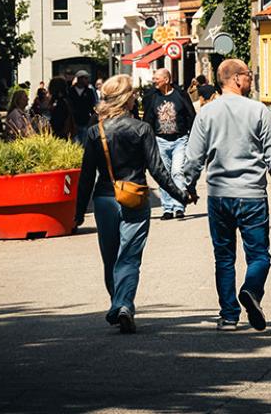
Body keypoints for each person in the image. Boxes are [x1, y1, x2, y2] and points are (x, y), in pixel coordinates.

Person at [76, 75, 191, 334]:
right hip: (136, 197)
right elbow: (159, 171)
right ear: (127, 98)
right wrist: (180, 195)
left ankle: (117, 303)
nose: (137, 97)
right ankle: (124, 304)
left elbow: (86, 176)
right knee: (129, 256)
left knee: (110, 258)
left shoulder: (97, 132)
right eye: (133, 94)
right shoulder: (142, 129)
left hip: (105, 199)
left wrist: (78, 213)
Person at [184, 59, 271, 331]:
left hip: (219, 195)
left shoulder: (206, 113)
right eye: (249, 75)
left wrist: (188, 185)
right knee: (259, 256)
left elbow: (194, 155)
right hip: (251, 194)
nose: (252, 79)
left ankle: (229, 316)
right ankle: (252, 290)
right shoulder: (259, 111)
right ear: (235, 79)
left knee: (224, 257)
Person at [143, 68, 196, 220]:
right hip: (160, 141)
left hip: (180, 140)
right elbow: (148, 118)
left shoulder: (180, 95)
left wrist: (192, 136)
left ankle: (179, 206)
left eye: (157, 79)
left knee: (177, 172)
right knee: (163, 175)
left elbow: (191, 116)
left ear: (166, 80)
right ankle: (167, 208)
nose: (154, 81)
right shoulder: (152, 97)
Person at [68, 70, 97, 144]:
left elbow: (93, 105)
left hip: (86, 121)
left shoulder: (89, 91)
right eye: (85, 78)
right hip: (73, 121)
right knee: (74, 142)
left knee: (84, 142)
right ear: (80, 79)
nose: (87, 80)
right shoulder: (70, 91)